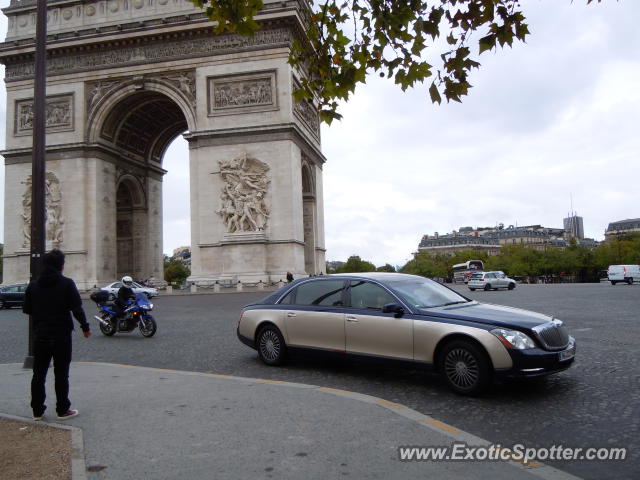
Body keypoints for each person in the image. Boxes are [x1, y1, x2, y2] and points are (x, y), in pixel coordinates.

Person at [23, 249, 91, 421]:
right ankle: (62, 409)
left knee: (38, 374)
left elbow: (26, 309)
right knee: (61, 374)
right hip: (62, 335)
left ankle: (37, 411)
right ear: (61, 266)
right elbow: (77, 308)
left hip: (41, 335)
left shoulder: (33, 285)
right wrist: (85, 327)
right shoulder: (67, 283)